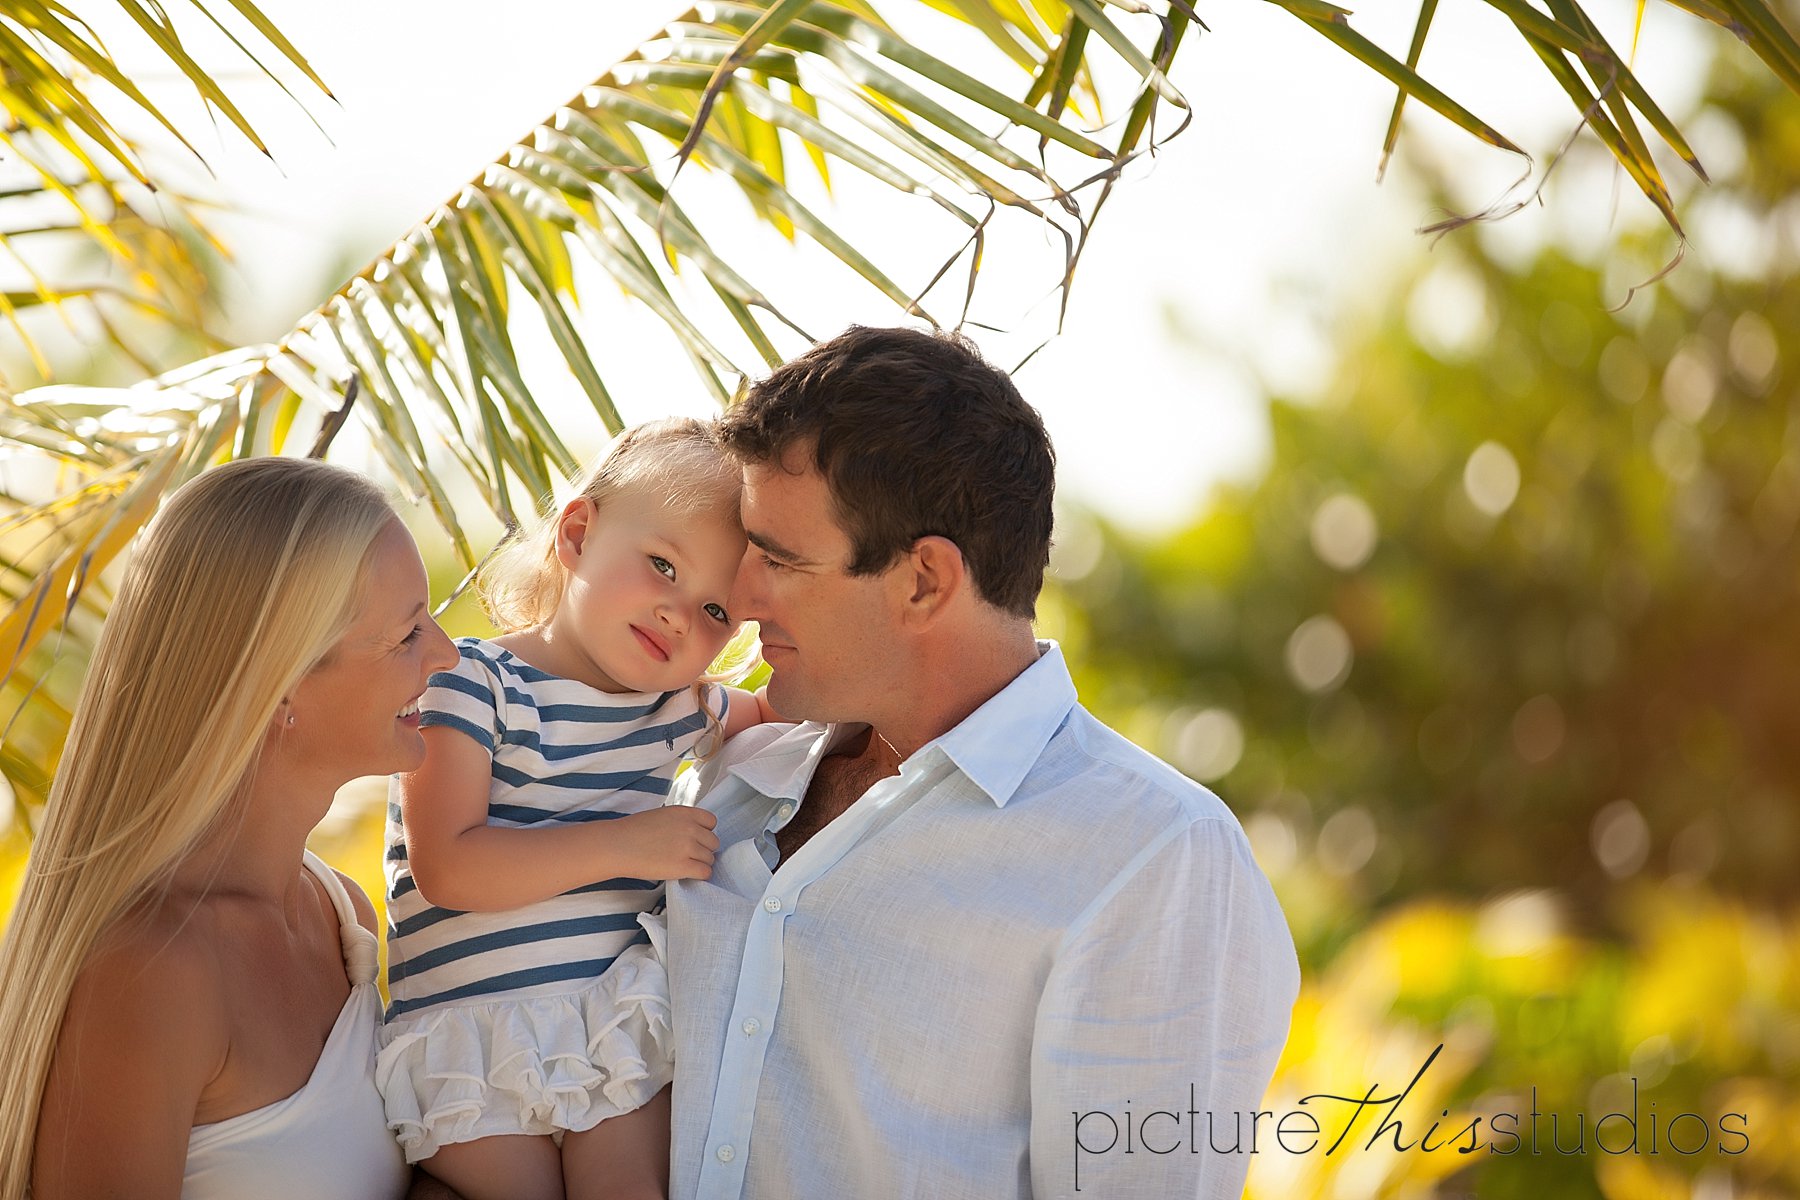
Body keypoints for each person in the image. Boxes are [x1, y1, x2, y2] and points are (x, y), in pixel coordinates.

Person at [660, 326, 1301, 1199]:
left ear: (924, 579)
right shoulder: (719, 772)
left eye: (779, 559)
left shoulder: (1156, 859)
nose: (737, 597)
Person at [0, 456, 456, 1200]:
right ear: (279, 687)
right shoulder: (154, 973)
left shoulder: (338, 914)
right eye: (407, 635)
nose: (446, 653)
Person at [378, 418, 777, 1200]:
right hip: (474, 1040)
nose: (678, 615)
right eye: (662, 566)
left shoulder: (683, 706)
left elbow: (797, 714)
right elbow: (450, 865)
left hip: (611, 1030)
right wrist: (628, 844)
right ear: (578, 533)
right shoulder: (473, 683)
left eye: (717, 613)